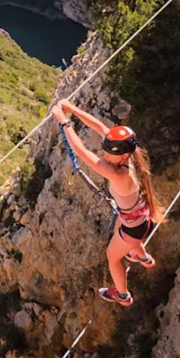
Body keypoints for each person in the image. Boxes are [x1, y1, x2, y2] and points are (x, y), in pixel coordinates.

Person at [51, 97, 164, 307]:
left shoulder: (118, 174)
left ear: (119, 156)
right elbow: (101, 127)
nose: (103, 154)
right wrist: (72, 109)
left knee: (112, 257)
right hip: (137, 219)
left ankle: (122, 295)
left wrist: (64, 121)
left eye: (107, 153)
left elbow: (82, 153)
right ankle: (142, 257)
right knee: (124, 236)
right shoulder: (130, 155)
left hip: (134, 226)